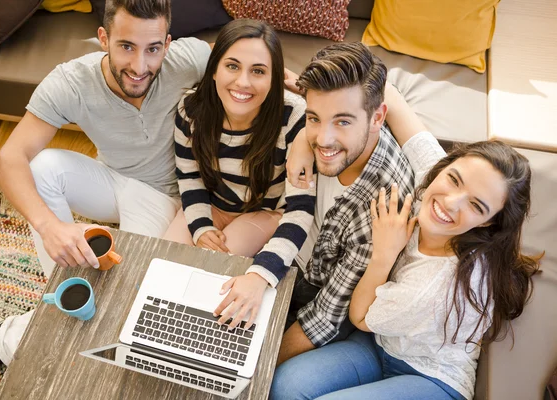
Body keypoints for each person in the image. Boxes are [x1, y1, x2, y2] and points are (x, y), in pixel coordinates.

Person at [0, 0, 212, 385]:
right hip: (110, 179)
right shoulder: (71, 80)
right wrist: (48, 226)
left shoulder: (189, 58)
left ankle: (6, 338)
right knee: (41, 168)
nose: (140, 66)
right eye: (126, 46)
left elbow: (253, 65)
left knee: (128, 304)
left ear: (168, 43)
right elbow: (10, 158)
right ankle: (68, 290)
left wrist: (294, 83)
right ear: (104, 38)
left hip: (167, 197)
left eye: (153, 49)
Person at [271, 84, 541, 400]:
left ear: (490, 222)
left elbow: (361, 316)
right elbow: (392, 97)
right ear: (445, 167)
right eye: (454, 179)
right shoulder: (434, 182)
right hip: (383, 342)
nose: (451, 202)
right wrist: (308, 126)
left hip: (430, 376)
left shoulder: (438, 284)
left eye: (476, 206)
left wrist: (383, 254)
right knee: (285, 386)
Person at [162, 19, 316, 329]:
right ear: (214, 69)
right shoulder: (190, 111)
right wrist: (201, 227)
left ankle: (203, 337)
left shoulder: (295, 118)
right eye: (232, 66)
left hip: (265, 213)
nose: (243, 82)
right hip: (213, 207)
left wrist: (263, 271)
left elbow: (301, 211)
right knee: (162, 265)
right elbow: (190, 179)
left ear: (274, 78)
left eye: (258, 71)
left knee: (215, 269)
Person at [271, 42, 415, 366]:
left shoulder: (380, 208)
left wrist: (258, 364)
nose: (323, 138)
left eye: (343, 122)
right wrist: (299, 141)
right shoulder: (323, 137)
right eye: (314, 119)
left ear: (377, 117)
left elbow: (325, 317)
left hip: (319, 291)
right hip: (289, 244)